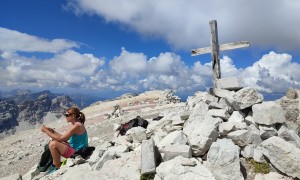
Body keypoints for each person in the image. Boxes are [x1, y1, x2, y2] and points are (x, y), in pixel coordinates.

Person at [41, 107, 88, 174]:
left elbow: (61, 139)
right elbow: (63, 138)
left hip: (78, 153)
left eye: (67, 115)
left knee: (53, 144)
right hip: (78, 150)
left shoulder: (76, 126)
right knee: (54, 140)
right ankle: (55, 164)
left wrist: (45, 131)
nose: (65, 117)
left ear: (73, 115)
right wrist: (52, 131)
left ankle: (56, 167)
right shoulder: (77, 124)